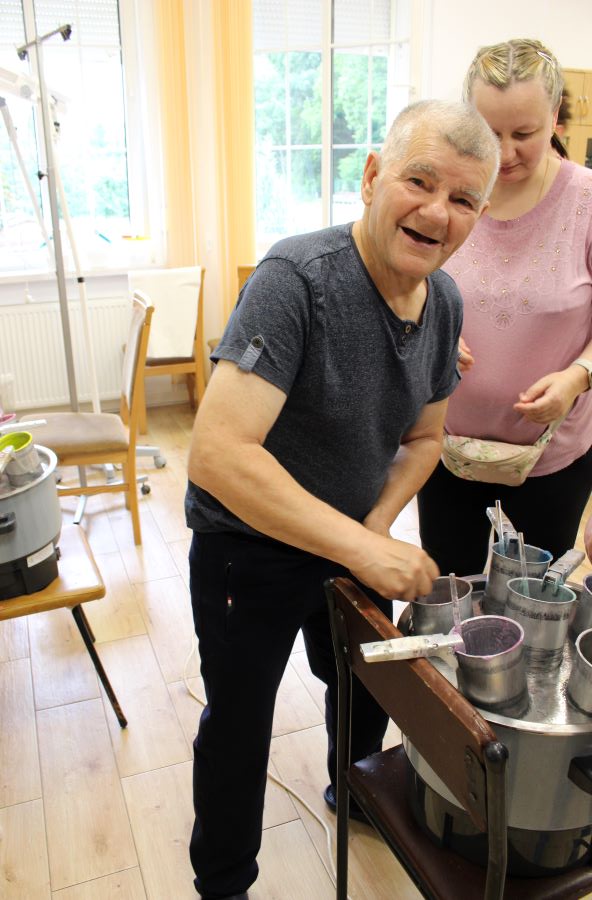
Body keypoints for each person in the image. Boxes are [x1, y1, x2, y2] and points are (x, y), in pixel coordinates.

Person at [184, 99, 500, 900]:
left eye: (463, 199)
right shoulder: (296, 281)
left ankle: (352, 792)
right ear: (371, 176)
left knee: (362, 690)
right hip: (248, 550)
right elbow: (219, 455)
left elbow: (425, 438)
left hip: (353, 537)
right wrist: (363, 547)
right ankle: (224, 882)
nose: (437, 212)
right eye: (419, 182)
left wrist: (375, 524)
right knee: (239, 725)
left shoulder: (445, 302)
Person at [418, 39, 592, 578]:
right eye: (490, 132)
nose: (506, 152)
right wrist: (430, 331)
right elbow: (405, 286)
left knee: (534, 599)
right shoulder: (445, 194)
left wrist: (577, 377)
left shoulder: (586, 202)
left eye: (524, 133)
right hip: (443, 447)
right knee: (448, 592)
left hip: (551, 458)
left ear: (555, 117)